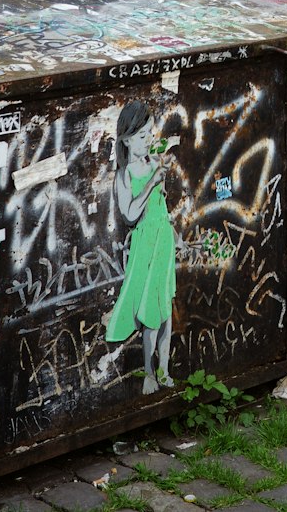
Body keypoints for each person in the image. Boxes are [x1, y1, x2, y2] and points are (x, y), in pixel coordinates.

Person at [105, 100, 177, 394]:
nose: (148, 140)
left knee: (165, 311)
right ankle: (148, 373)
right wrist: (151, 184)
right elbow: (130, 214)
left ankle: (165, 369)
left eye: (150, 133)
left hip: (163, 240)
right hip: (145, 244)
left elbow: (161, 205)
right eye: (142, 136)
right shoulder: (125, 174)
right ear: (125, 139)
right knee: (149, 312)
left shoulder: (152, 163)